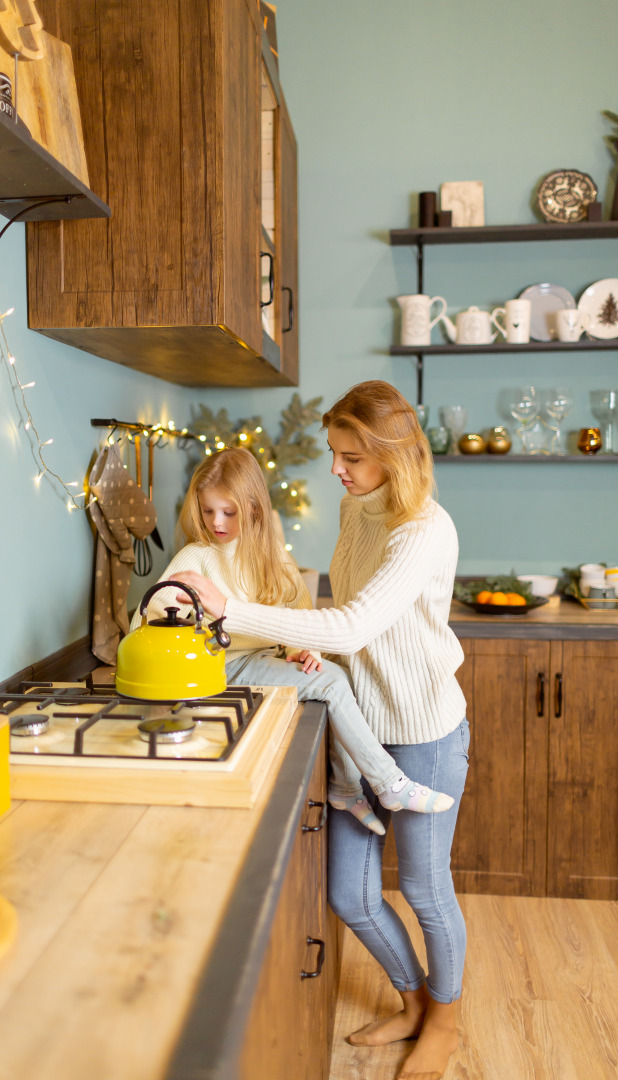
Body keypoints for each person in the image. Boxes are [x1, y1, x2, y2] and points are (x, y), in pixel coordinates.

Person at [173, 381, 469, 1080]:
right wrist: (315, 653)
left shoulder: (425, 530)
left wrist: (235, 611)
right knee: (350, 895)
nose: (336, 469)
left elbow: (358, 622)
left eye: (352, 458)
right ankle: (412, 1000)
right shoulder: (355, 509)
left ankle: (447, 1023)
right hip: (362, 723)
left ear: (394, 458)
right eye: (336, 454)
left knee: (426, 890)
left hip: (423, 731)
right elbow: (349, 619)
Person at [130, 447, 453, 836]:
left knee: (335, 677)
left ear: (253, 508)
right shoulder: (196, 556)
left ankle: (347, 789)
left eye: (228, 512)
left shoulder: (272, 558)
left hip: (258, 660)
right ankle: (388, 784)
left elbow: (299, 613)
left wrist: (305, 650)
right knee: (332, 682)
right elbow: (149, 615)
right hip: (222, 664)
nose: (216, 522)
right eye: (207, 510)